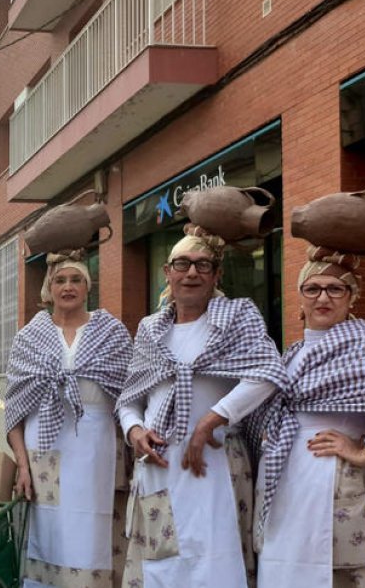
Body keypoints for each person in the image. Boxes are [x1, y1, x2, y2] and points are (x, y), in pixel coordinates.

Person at [253, 244, 365, 586]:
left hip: (335, 476)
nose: (323, 297)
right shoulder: (295, 351)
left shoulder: (362, 347)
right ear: (300, 298)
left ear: (352, 297)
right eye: (313, 288)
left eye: (336, 288)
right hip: (288, 474)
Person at [117, 224, 286, 587]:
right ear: (168, 273)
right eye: (182, 264)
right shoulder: (150, 329)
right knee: (162, 567)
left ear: (216, 275)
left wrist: (210, 420)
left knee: (216, 566)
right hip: (159, 470)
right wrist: (135, 431)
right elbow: (129, 399)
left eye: (202, 265)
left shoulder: (237, 318)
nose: (191, 272)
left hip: (215, 464)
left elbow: (267, 374)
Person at [6, 249, 133, 586]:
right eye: (60, 280)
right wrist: (21, 464)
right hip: (44, 445)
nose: (68, 287)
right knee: (49, 529)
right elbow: (16, 407)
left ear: (87, 286)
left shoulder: (112, 332)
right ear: (50, 287)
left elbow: (131, 397)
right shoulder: (29, 337)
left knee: (93, 527)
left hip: (97, 444)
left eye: (76, 279)